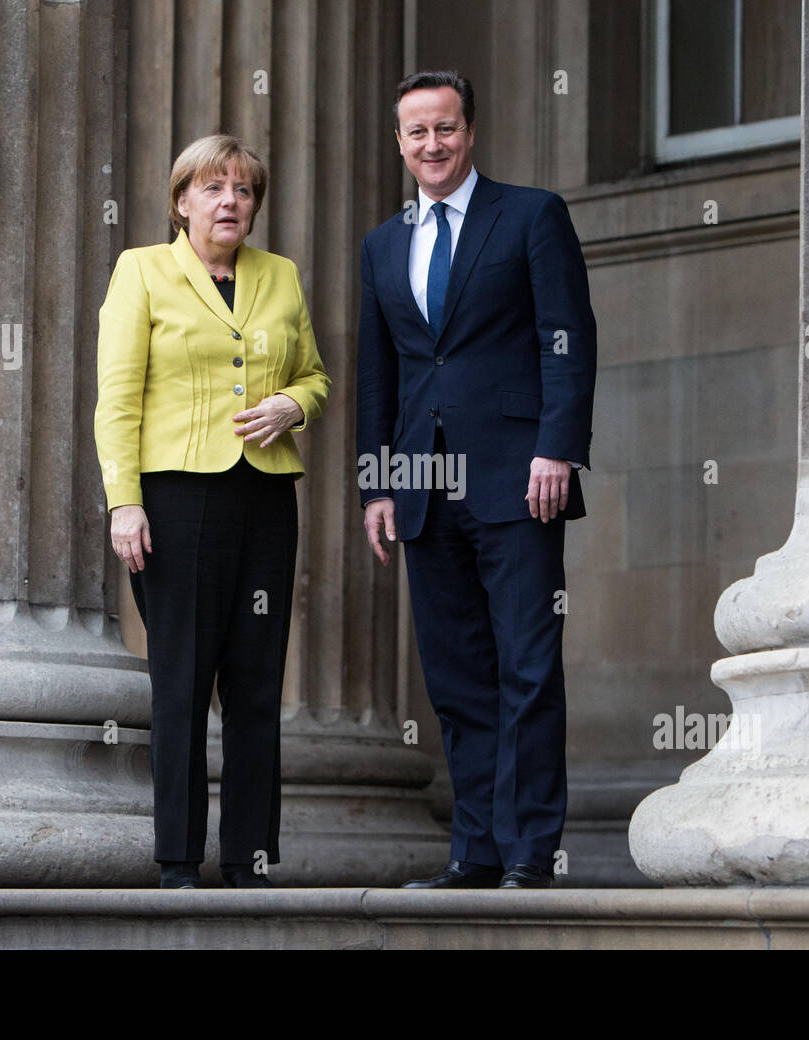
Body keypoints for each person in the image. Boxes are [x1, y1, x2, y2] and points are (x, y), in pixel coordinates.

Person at [356, 71, 596, 889]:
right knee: (457, 681)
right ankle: (476, 851)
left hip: (519, 479)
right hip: (423, 483)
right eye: (417, 132)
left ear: (470, 131)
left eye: (446, 128)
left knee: (527, 669)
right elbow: (378, 374)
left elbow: (568, 337)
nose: (433, 144)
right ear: (399, 142)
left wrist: (557, 448)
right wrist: (377, 485)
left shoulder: (530, 215)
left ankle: (530, 852)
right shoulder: (383, 244)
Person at [95, 134, 330, 889]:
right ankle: (176, 861)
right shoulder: (142, 270)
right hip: (175, 499)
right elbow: (117, 399)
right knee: (182, 681)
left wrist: (293, 404)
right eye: (213, 187)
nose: (230, 201)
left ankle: (250, 858)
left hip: (265, 498)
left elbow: (316, 375)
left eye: (243, 189)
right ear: (181, 200)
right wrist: (124, 502)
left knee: (257, 685)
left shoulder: (281, 277)